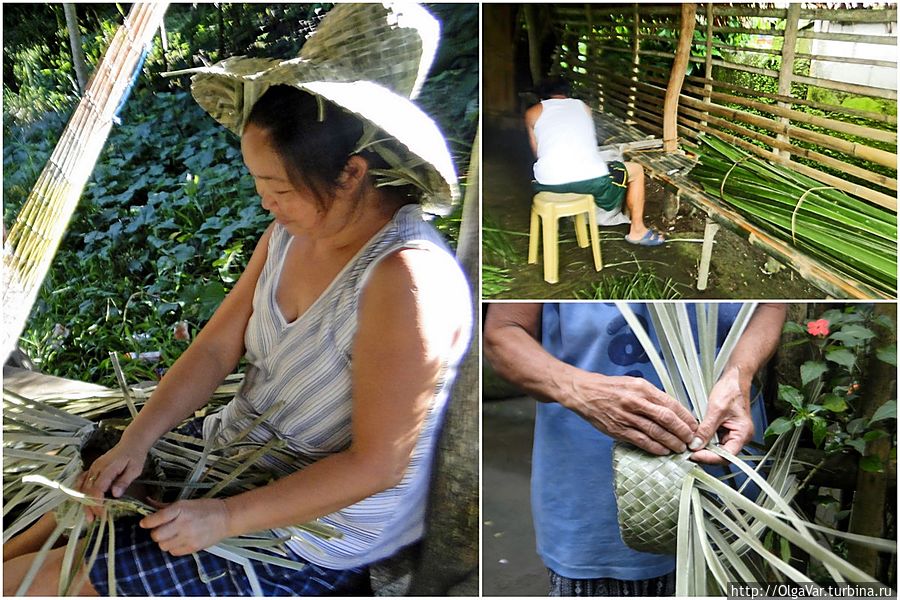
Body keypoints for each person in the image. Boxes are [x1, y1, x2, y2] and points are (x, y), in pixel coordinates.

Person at [3, 4, 472, 596]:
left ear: (351, 173)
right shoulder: (289, 234)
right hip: (228, 460)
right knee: (50, 527)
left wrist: (224, 518)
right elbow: (215, 347)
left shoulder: (405, 280)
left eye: (276, 187)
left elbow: (379, 465)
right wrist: (138, 439)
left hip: (310, 534)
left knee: (43, 585)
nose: (264, 204)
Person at [483, 302, 786, 596]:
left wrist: (739, 372)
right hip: (596, 503)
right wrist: (581, 389)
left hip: (730, 495)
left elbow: (771, 306)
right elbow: (504, 333)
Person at [524, 78, 665, 246]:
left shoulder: (532, 113)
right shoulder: (583, 108)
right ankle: (637, 230)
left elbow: (538, 154)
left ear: (542, 97)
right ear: (568, 94)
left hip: (548, 184)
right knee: (636, 170)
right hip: (592, 182)